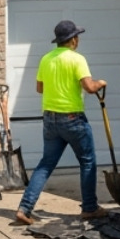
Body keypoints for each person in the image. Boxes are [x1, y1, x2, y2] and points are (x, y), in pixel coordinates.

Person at [12, 20, 109, 226]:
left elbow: (40, 88)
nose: (78, 40)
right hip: (73, 119)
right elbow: (89, 87)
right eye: (77, 36)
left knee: (46, 164)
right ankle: (90, 208)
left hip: (50, 119)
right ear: (73, 40)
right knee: (87, 161)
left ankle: (24, 208)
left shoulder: (46, 59)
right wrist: (101, 83)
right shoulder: (77, 59)